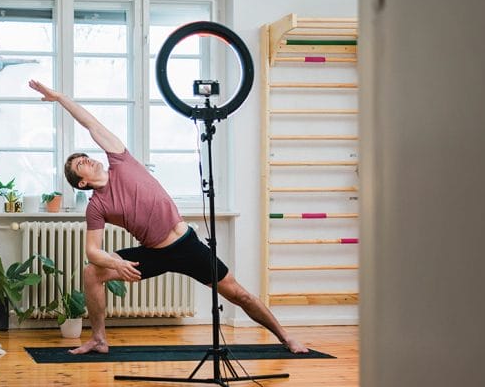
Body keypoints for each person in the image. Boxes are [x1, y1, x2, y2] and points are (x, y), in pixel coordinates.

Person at [28, 79, 308, 355]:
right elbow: (92, 251)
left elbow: (91, 124)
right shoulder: (97, 206)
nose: (87, 159)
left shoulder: (120, 160)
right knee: (92, 273)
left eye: (85, 156)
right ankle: (99, 339)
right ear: (81, 183)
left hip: (186, 245)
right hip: (153, 254)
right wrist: (117, 262)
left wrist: (60, 97)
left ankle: (285, 337)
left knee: (238, 294)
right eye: (80, 164)